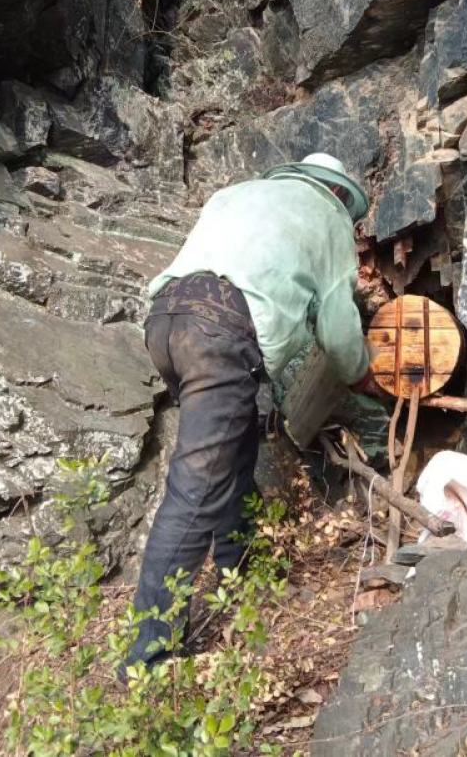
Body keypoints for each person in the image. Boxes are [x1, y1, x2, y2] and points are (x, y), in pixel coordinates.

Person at [125, 152, 378, 670]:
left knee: (232, 455)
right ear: (340, 194)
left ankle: (238, 572)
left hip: (167, 323)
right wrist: (363, 376)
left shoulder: (237, 193)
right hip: (220, 328)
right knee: (195, 489)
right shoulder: (327, 215)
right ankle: (147, 661)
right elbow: (336, 325)